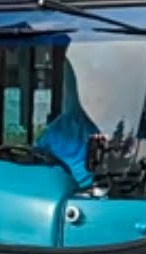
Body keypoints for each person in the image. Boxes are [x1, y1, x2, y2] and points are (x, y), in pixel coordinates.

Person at [34, 59, 100, 189]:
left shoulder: (112, 128)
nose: (93, 101)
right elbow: (35, 155)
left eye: (98, 98)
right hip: (54, 192)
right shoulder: (60, 125)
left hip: (92, 195)